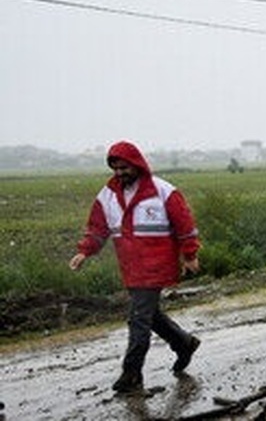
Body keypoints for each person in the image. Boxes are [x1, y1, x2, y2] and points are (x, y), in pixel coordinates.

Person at [69, 141, 202, 394]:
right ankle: (184, 343)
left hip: (156, 264)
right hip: (131, 266)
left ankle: (132, 375)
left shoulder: (163, 191)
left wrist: (190, 254)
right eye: (115, 168)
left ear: (137, 164)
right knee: (149, 315)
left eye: (124, 167)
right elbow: (97, 228)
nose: (120, 173)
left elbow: (185, 223)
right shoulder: (107, 195)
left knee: (138, 319)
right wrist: (84, 251)